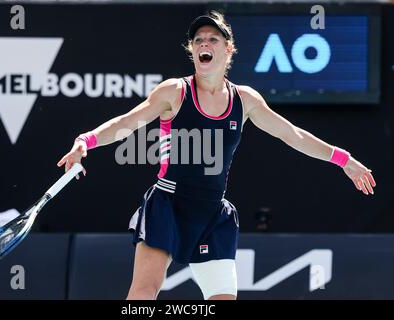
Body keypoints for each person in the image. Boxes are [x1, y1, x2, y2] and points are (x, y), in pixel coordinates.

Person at [57, 11, 376, 300]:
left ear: (228, 50)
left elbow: (291, 134)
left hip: (212, 213)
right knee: (143, 295)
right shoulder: (174, 92)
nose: (203, 44)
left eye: (213, 39)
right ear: (193, 50)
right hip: (167, 205)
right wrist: (87, 140)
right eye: (198, 40)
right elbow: (127, 123)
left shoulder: (245, 99)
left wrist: (343, 159)